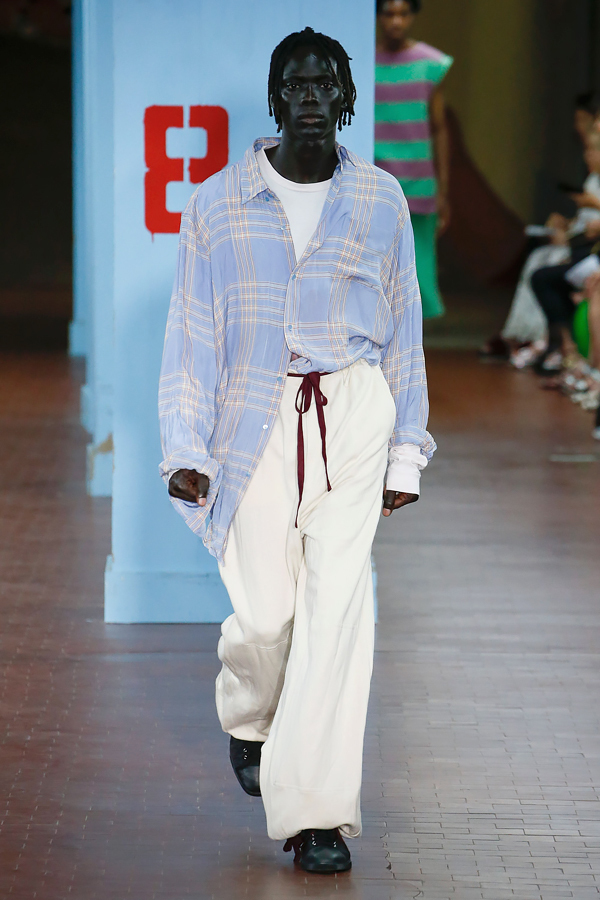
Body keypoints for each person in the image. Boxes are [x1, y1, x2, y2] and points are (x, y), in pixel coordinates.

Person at [158, 27, 435, 875]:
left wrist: (406, 452)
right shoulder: (217, 203)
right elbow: (192, 336)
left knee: (337, 612)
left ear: (346, 99)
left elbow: (405, 330)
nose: (310, 96)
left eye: (325, 84)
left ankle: (317, 817)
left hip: (353, 410)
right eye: (295, 84)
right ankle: (250, 713)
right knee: (268, 614)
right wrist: (185, 447)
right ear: (276, 98)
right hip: (255, 415)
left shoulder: (381, 200)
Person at [375, 0, 452, 319]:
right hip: (376, 180)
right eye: (389, 13)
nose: (396, 21)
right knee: (376, 268)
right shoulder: (361, 63)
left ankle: (413, 344)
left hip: (419, 180)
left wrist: (443, 189)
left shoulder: (430, 64)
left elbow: (439, 128)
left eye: (403, 14)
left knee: (419, 271)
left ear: (413, 17)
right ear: (378, 16)